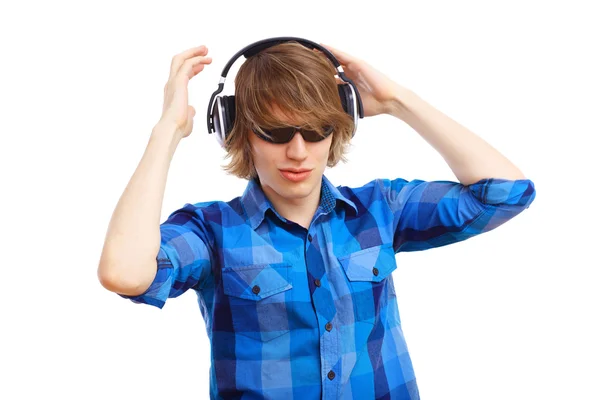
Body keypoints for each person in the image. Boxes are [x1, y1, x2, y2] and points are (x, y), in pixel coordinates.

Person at [97, 37, 536, 400]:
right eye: (275, 132)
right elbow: (124, 272)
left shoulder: (380, 210)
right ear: (238, 130)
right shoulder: (212, 232)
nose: (298, 152)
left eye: (315, 130)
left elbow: (506, 194)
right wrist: (167, 131)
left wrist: (398, 101)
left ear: (337, 126)